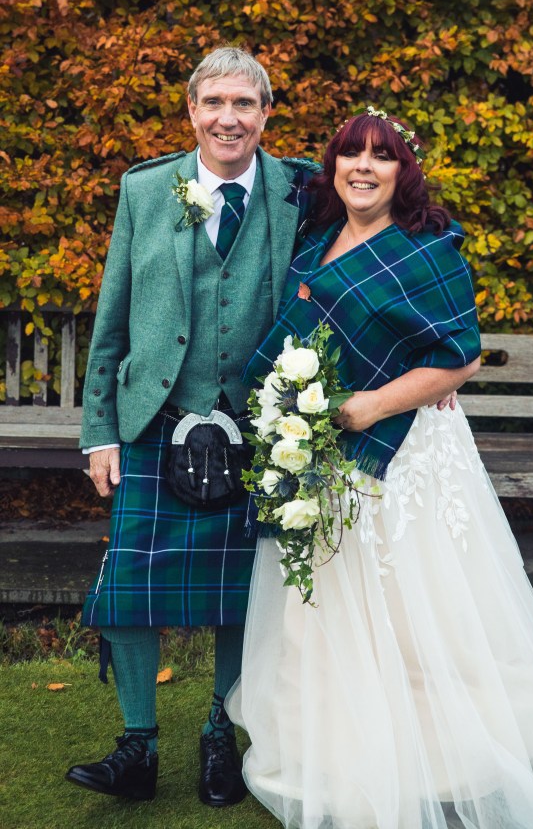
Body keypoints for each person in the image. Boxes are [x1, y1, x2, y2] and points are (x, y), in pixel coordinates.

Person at [228, 110, 533, 829]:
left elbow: (461, 355)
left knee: (422, 605)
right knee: (330, 604)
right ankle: (348, 725)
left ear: (403, 170)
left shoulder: (428, 247)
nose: (364, 169)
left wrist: (372, 405)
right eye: (352, 155)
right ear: (334, 166)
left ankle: (442, 739)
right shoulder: (316, 241)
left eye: (382, 157)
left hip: (407, 453)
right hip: (322, 452)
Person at [64, 46, 320, 806]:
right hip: (155, 418)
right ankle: (136, 747)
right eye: (214, 103)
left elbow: (381, 241)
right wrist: (98, 431)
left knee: (239, 596)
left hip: (260, 428)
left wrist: (429, 361)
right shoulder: (148, 190)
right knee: (129, 591)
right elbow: (111, 318)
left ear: (267, 113)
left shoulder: (301, 189)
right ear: (191, 110)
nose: (228, 118)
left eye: (245, 104)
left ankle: (219, 734)